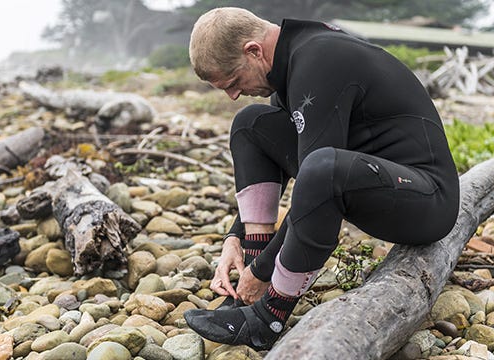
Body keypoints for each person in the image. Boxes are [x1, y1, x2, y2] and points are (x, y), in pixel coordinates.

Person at [183, 7, 460, 350]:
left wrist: (265, 271)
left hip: (427, 200)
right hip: (372, 182)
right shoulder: (291, 64)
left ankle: (268, 315)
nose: (233, 94)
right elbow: (304, 171)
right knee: (250, 123)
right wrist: (235, 239)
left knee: (321, 168)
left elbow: (317, 182)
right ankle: (246, 293)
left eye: (234, 82)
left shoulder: (321, 59)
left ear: (253, 51)